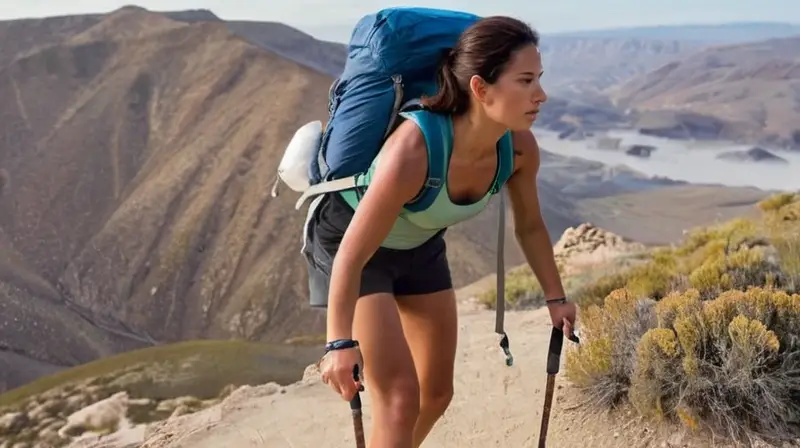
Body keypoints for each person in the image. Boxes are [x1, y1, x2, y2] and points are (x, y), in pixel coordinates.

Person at [310, 15, 578, 448]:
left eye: (539, 79)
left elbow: (530, 226)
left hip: (418, 246)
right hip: (354, 247)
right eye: (525, 81)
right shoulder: (414, 150)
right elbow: (351, 256)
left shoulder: (520, 149)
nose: (540, 95)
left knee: (436, 393)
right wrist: (338, 342)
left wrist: (556, 299)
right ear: (480, 88)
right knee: (400, 399)